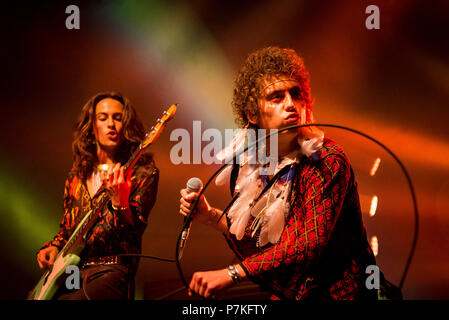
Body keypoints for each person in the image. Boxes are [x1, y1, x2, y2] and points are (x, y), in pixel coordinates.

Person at [179, 46, 378, 300]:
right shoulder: (256, 165)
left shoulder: (327, 160)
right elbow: (260, 235)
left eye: (296, 95)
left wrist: (232, 273)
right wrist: (210, 216)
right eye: (276, 97)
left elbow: (305, 244)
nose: (291, 104)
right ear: (251, 113)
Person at [36, 92, 159, 300]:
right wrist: (54, 246)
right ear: (92, 127)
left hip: (110, 271)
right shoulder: (77, 174)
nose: (111, 124)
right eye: (103, 118)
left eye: (117, 118)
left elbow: (135, 230)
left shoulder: (143, 172)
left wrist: (120, 201)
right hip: (73, 271)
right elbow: (67, 230)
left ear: (126, 125)